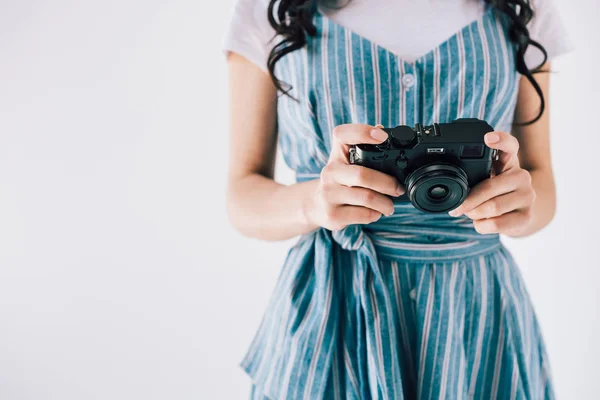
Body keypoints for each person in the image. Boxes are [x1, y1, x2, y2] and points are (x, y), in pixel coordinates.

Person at [222, 0, 573, 398]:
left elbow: (540, 183)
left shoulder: (524, 8)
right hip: (333, 305)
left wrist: (518, 208)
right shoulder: (270, 9)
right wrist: (314, 204)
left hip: (474, 310)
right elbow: (242, 196)